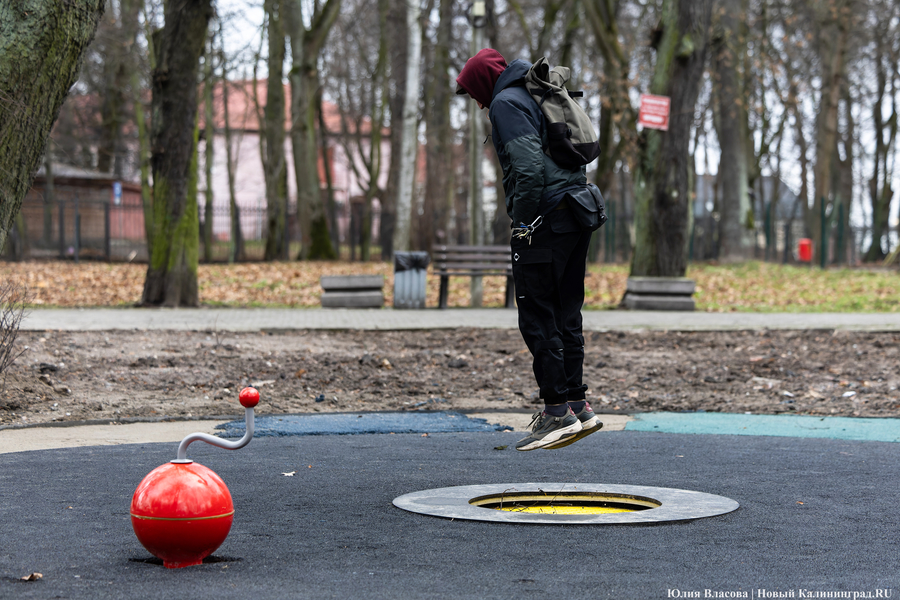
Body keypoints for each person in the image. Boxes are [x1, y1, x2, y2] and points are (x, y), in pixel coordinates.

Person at [455, 48, 602, 451]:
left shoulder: (506, 102)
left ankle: (556, 412)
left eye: (472, 91)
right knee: (566, 310)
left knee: (537, 313)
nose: (476, 100)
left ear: (484, 82)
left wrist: (522, 223)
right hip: (578, 210)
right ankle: (577, 403)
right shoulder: (536, 93)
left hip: (545, 218)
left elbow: (529, 169)